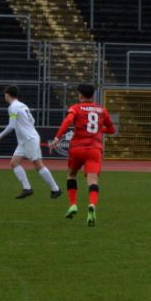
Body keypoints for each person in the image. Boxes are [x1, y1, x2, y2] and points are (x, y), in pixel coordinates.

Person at [51, 84, 116, 226]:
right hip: (94, 149)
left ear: (80, 95)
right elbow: (112, 129)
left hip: (77, 149)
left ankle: (73, 204)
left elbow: (68, 121)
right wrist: (99, 129)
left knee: (71, 175)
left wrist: (57, 138)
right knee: (93, 181)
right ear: (92, 95)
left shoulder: (75, 108)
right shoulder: (102, 110)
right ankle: (92, 204)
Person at [0, 85, 62, 199]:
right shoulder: (23, 105)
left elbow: (12, 125)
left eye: (5, 95)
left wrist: (0, 136)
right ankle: (27, 189)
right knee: (14, 163)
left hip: (29, 139)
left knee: (38, 165)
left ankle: (55, 189)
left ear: (7, 95)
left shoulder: (12, 107)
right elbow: (32, 120)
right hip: (26, 139)